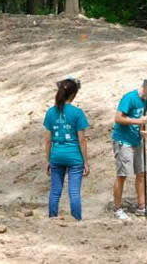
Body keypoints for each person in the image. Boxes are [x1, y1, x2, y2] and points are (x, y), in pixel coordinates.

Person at [112, 77, 147, 220]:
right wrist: (137, 121)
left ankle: (142, 206)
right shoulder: (129, 98)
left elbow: (142, 119)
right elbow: (118, 118)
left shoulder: (146, 101)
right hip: (123, 141)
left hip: (136, 140)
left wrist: (142, 130)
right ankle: (118, 208)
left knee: (141, 173)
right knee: (122, 175)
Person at [44, 77, 90, 220]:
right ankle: (76, 219)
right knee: (74, 191)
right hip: (74, 157)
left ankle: (52, 218)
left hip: (56, 156)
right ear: (74, 94)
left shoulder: (51, 112)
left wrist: (47, 160)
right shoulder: (77, 113)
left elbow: (47, 140)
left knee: (55, 190)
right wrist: (86, 161)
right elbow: (82, 140)